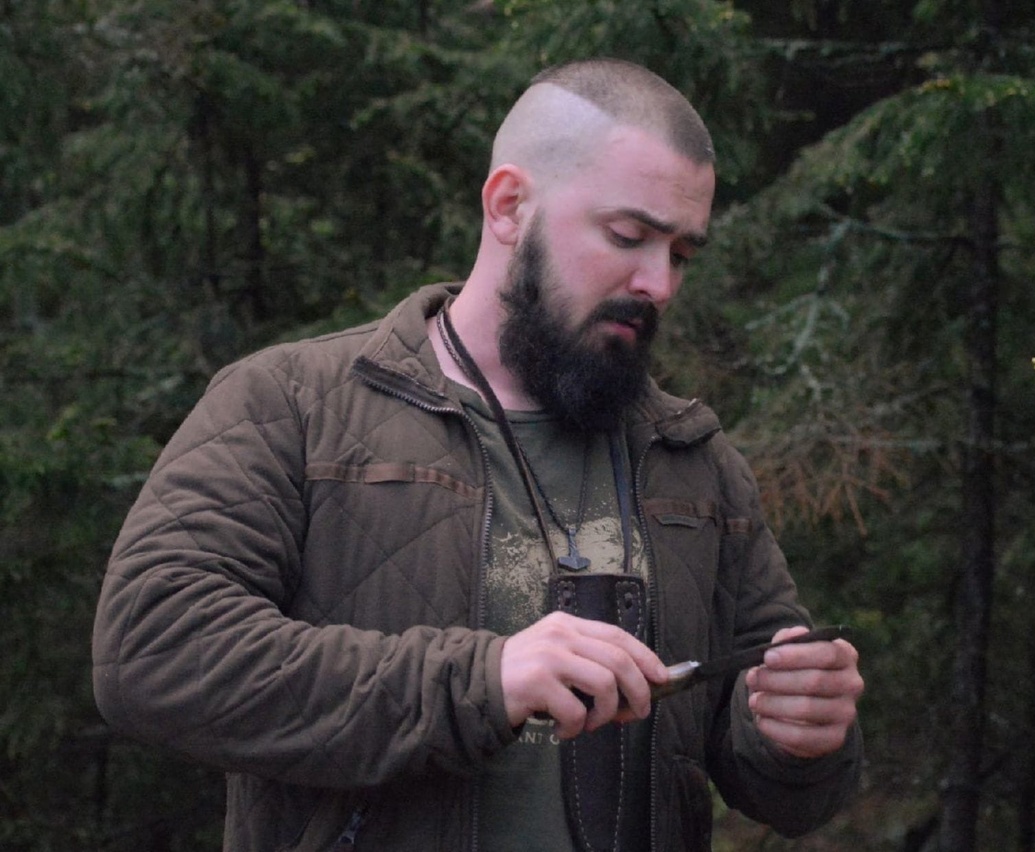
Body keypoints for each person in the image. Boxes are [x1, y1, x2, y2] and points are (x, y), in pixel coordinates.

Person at [92, 58, 864, 852]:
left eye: (681, 254)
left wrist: (798, 735)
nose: (658, 283)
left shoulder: (691, 458)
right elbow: (152, 651)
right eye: (629, 237)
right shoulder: (291, 404)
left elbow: (778, 781)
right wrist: (481, 681)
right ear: (508, 206)